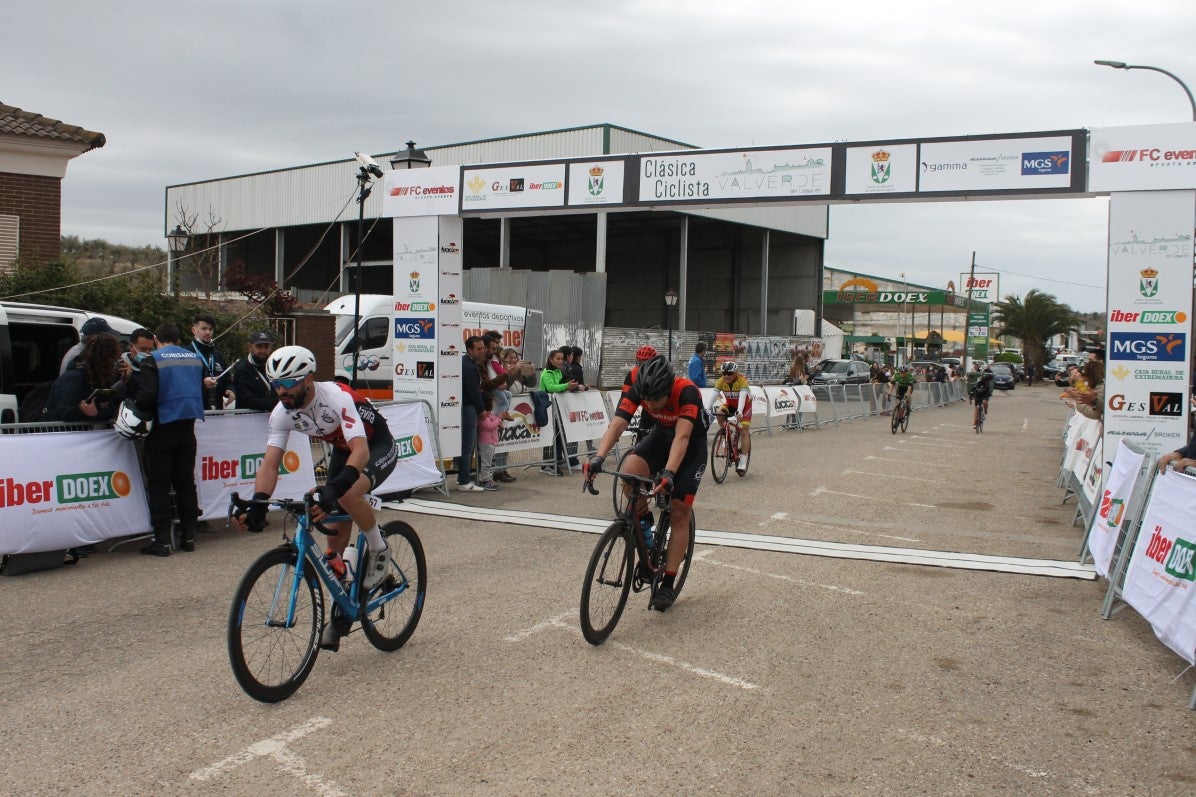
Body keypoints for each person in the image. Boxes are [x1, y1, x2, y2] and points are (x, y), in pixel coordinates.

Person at [233, 345, 399, 652]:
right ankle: (346, 591)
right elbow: (270, 463)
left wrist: (335, 489)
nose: (281, 390)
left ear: (308, 379)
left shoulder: (336, 397)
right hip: (343, 449)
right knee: (330, 536)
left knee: (346, 494)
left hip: (376, 446)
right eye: (275, 384)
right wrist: (258, 502)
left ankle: (379, 549)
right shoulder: (282, 412)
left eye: (288, 383)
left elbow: (360, 451)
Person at [584, 356, 708, 612]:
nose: (650, 404)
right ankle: (644, 523)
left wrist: (669, 472)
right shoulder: (640, 389)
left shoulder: (686, 391)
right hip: (661, 437)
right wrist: (598, 457)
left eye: (656, 400)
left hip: (690, 446)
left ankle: (668, 583)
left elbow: (683, 437)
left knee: (679, 512)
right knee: (629, 472)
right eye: (647, 400)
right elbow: (618, 423)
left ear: (668, 388)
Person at [129, 323, 205, 556]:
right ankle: (189, 536)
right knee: (185, 482)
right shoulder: (195, 359)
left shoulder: (153, 360)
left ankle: (161, 540)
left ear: (156, 339)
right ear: (178, 338)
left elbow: (148, 396)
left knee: (160, 485)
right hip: (188, 427)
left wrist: (135, 401)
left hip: (162, 428)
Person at [45, 332, 124, 423]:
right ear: (103, 359)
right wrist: (91, 413)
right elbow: (67, 414)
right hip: (60, 432)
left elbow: (112, 410)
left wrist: (98, 411)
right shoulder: (74, 378)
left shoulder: (99, 377)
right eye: (112, 358)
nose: (114, 363)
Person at [708, 360, 752, 475]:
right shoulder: (721, 381)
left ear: (735, 373)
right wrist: (707, 408)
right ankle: (728, 437)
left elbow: (742, 398)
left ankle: (743, 460)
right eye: (724, 373)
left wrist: (740, 411)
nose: (726, 376)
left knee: (744, 430)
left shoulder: (742, 381)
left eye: (729, 373)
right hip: (731, 404)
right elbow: (714, 395)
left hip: (745, 406)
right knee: (719, 413)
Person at [456, 335, 488, 492]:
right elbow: (474, 391)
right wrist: (481, 409)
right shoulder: (468, 366)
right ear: (470, 350)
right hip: (468, 407)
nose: (482, 351)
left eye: (483, 348)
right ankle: (464, 480)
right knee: (467, 445)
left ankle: (462, 477)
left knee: (466, 445)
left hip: (466, 406)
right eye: (479, 349)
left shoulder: (467, 362)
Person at [539, 347, 578, 474]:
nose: (561, 361)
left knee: (558, 435)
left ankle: (556, 460)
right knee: (551, 436)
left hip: (558, 407)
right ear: (551, 360)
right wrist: (567, 386)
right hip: (548, 407)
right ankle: (547, 464)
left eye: (562, 359)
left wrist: (574, 386)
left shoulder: (558, 371)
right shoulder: (547, 372)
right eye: (558, 359)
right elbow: (551, 388)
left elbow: (561, 385)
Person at [190, 313, 233, 410]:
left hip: (217, 411)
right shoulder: (187, 354)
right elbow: (183, 382)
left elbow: (227, 379)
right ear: (194, 330)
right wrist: (202, 382)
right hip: (196, 411)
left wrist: (230, 389)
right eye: (204, 329)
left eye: (210, 329)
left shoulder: (218, 355)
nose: (208, 332)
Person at [227, 331, 279, 412]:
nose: (263, 351)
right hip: (248, 419)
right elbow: (248, 401)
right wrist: (277, 404)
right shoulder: (242, 370)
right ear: (250, 347)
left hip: (272, 417)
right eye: (259, 346)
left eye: (266, 347)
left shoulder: (274, 367)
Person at [476, 392, 501, 491]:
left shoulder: (488, 414)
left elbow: (493, 421)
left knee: (488, 461)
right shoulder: (483, 416)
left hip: (490, 441)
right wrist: (500, 418)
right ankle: (486, 480)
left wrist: (498, 420)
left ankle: (486, 478)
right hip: (486, 442)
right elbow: (490, 426)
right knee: (486, 462)